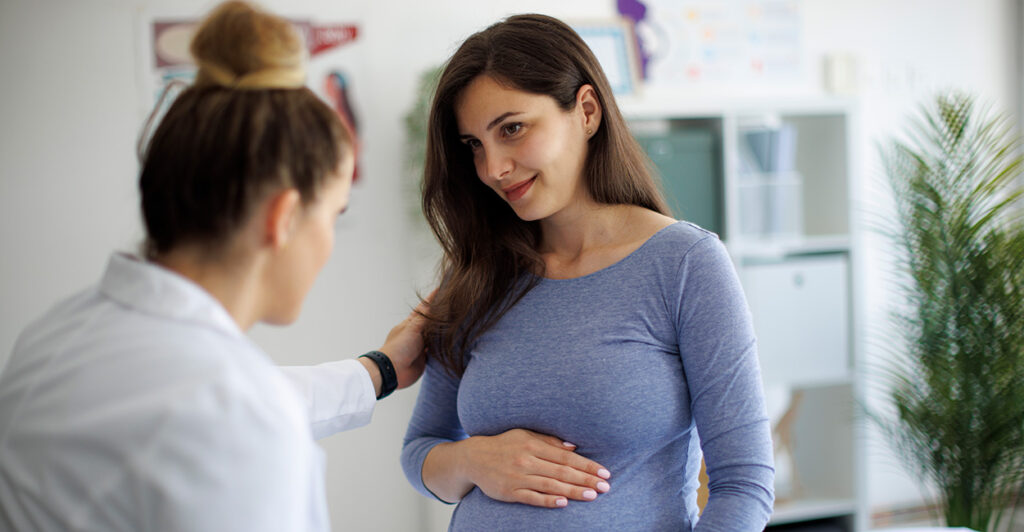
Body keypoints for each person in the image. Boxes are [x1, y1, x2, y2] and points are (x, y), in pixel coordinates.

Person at [0, 2, 425, 530]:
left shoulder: (59, 333)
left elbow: (193, 403)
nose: (329, 241)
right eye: (332, 215)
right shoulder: (236, 423)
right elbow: (225, 414)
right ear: (284, 217)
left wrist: (380, 369)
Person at [401, 13, 774, 531]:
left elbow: (744, 483)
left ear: (587, 111)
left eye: (512, 129)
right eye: (475, 146)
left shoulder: (685, 264)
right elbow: (421, 452)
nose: (493, 169)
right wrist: (473, 461)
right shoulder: (479, 275)